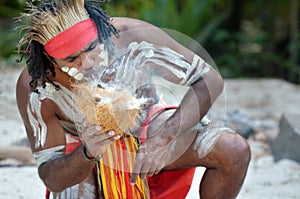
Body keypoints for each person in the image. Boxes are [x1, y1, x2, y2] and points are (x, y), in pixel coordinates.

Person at [16, 0, 251, 198]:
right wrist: (88, 151)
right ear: (49, 59)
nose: (87, 62)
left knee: (233, 150)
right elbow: (51, 177)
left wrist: (163, 139)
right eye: (71, 59)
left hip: (145, 125)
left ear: (99, 31)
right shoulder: (36, 87)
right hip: (82, 146)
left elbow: (210, 79)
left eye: (91, 48)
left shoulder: (130, 37)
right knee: (74, 190)